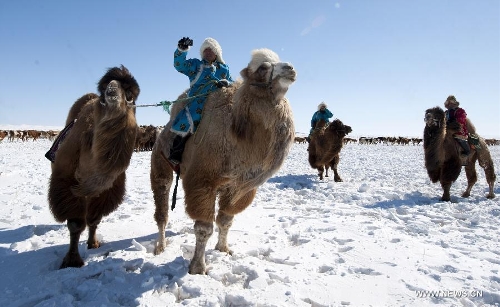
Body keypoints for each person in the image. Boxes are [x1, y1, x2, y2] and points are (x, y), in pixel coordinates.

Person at [168, 36, 234, 166]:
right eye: (205, 50)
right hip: (197, 103)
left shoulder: (224, 69)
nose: (208, 52)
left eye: (211, 50)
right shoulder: (195, 65)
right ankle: (176, 152)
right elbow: (179, 65)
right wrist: (182, 50)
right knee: (189, 119)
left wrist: (227, 83)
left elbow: (233, 83)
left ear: (217, 53)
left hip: (219, 102)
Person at [444, 95, 470, 165]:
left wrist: (451, 123)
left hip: (458, 131)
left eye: (451, 103)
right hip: (446, 132)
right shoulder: (446, 113)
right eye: (448, 103)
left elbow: (461, 120)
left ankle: (465, 156)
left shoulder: (460, 111)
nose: (450, 104)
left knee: (463, 145)